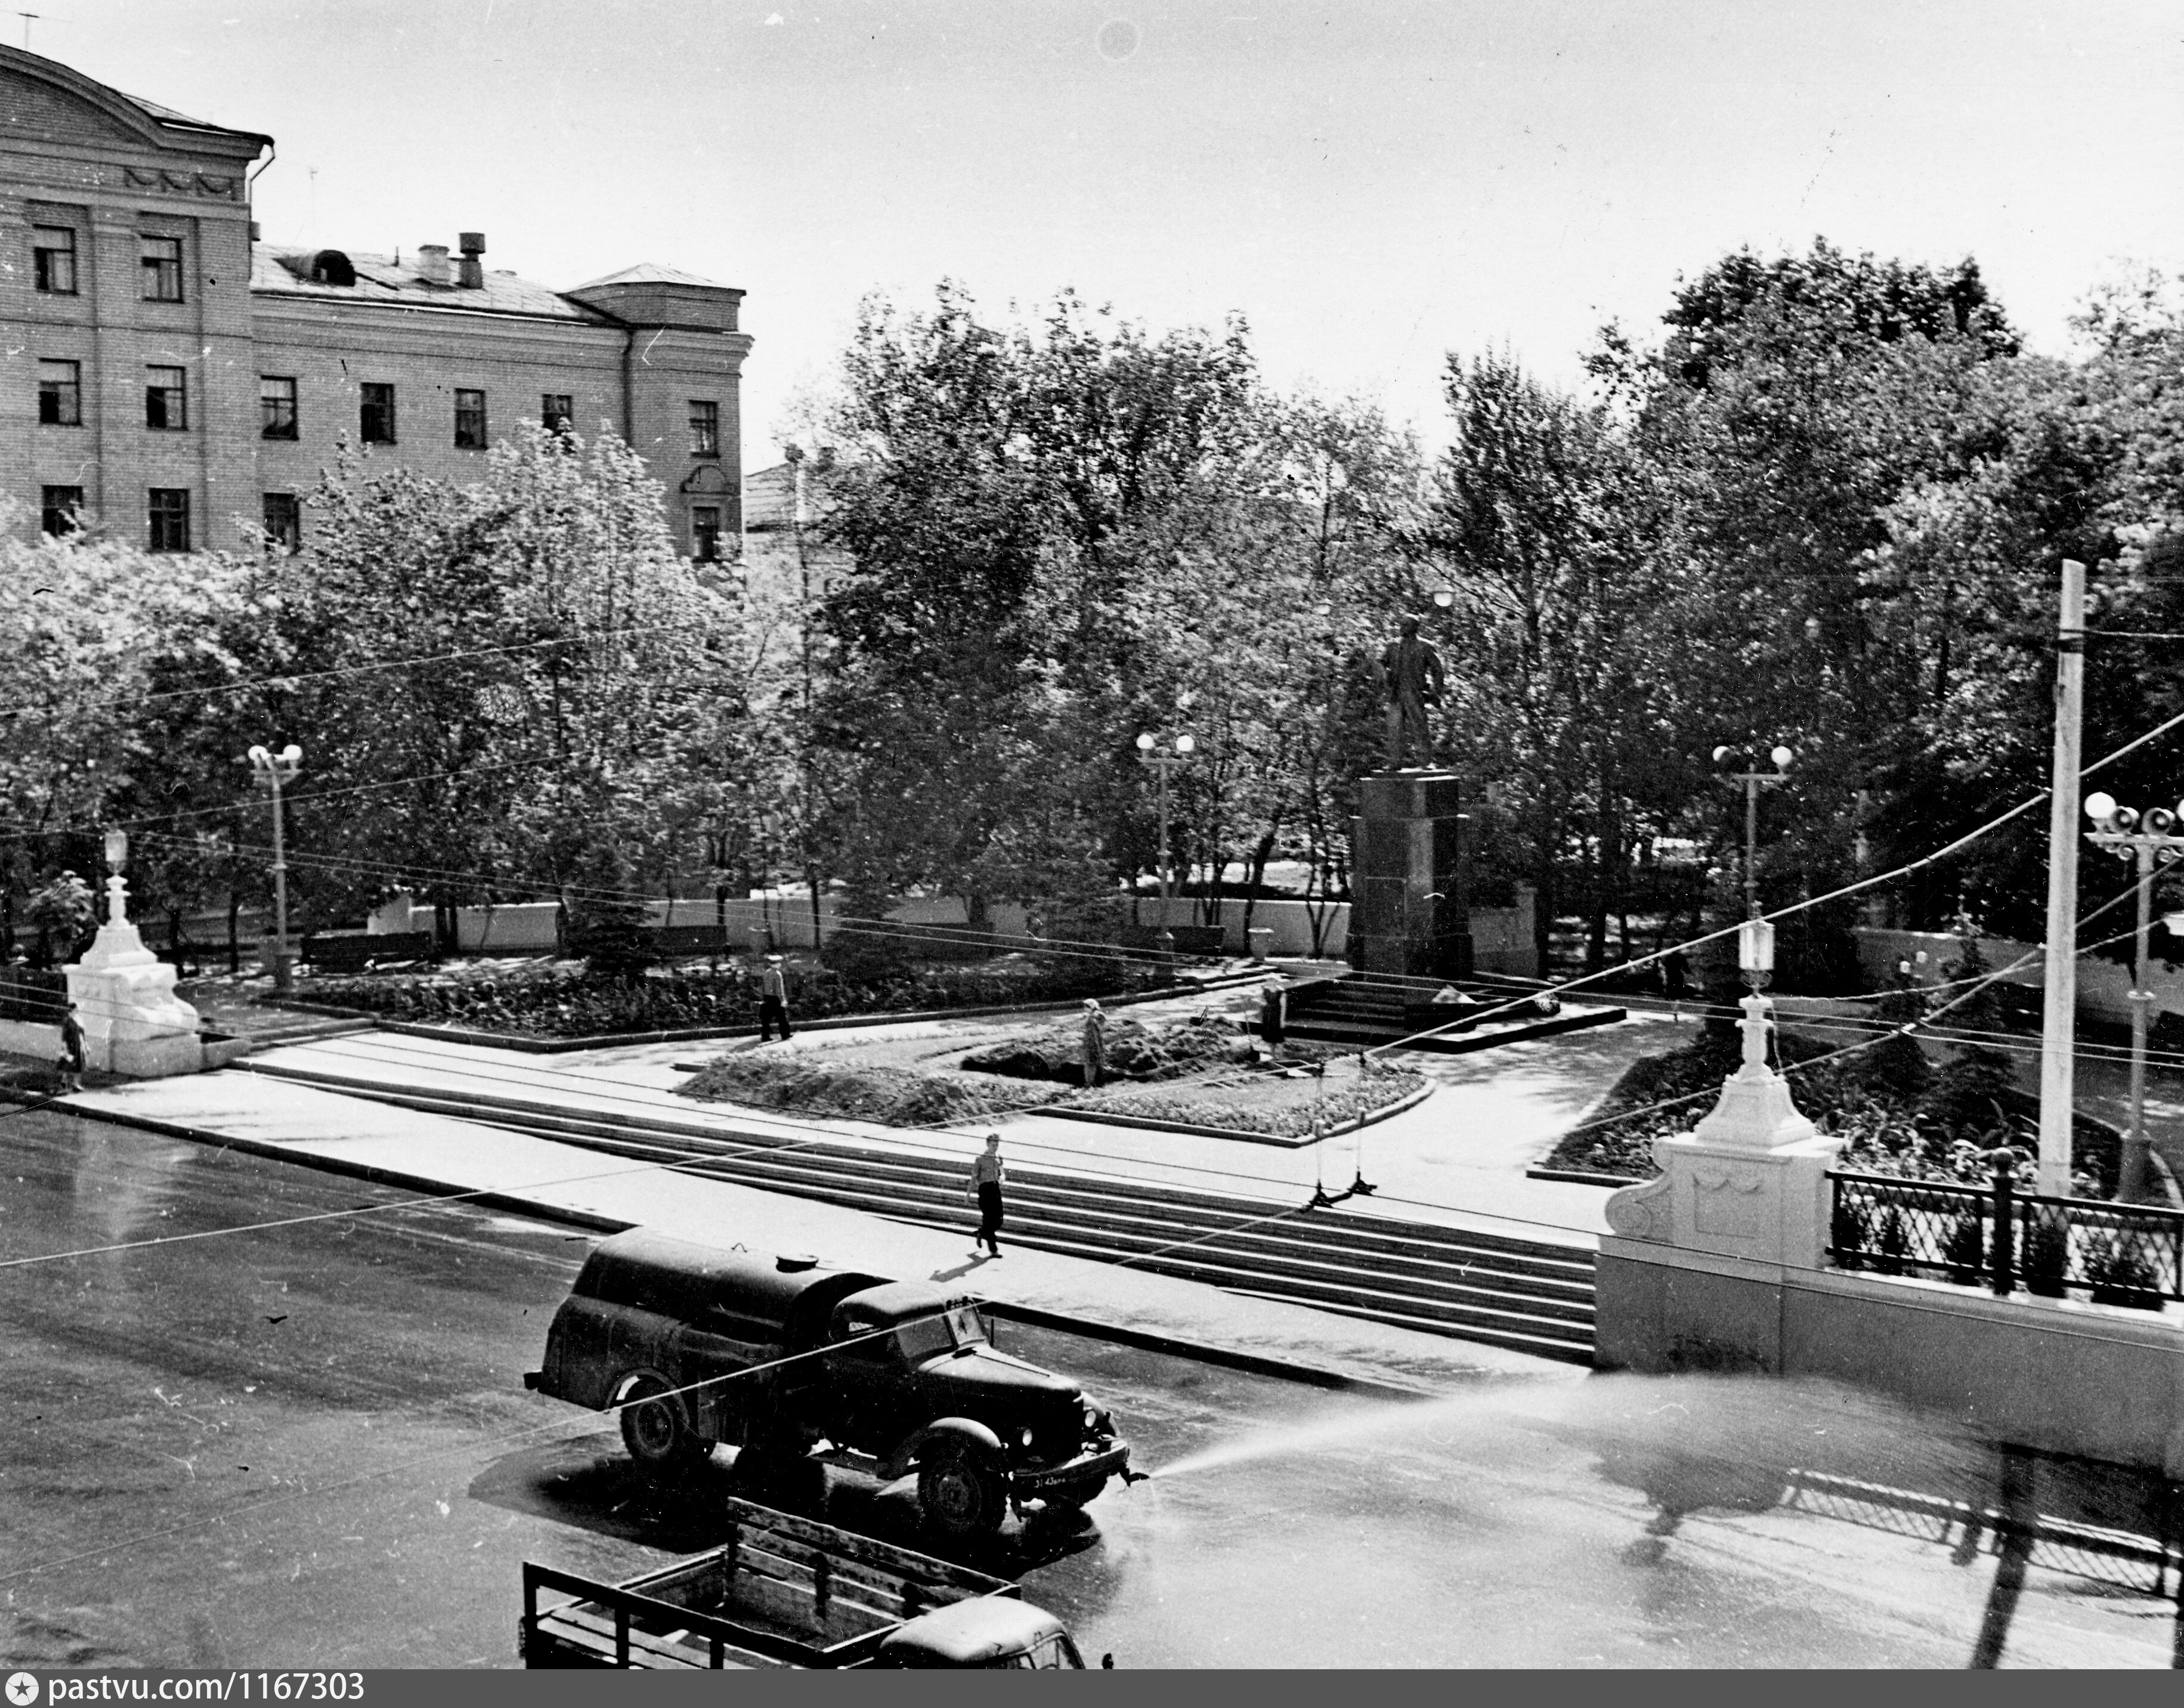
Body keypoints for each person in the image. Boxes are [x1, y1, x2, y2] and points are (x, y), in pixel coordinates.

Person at [1376, 614, 1448, 769]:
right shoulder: (1393, 646)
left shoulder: (1425, 646)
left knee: (1419, 726)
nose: (1401, 627)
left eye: (1405, 625)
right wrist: (1384, 676)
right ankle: (1394, 762)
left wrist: (1436, 692)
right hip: (1396, 693)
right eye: (1401, 624)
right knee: (1394, 728)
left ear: (1415, 627)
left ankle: (1426, 762)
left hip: (1415, 692)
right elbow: (1380, 662)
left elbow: (1438, 670)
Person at [967, 1132, 1006, 1257]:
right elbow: (973, 1178)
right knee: (989, 1220)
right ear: (988, 1144)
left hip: (995, 1189)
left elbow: (1002, 1173)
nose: (995, 1147)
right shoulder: (980, 1159)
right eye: (993, 1145)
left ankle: (980, 1233)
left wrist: (1003, 1178)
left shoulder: (999, 1157)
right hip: (985, 1190)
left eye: (997, 1145)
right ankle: (994, 1250)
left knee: (999, 1220)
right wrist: (967, 1195)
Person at [758, 953, 793, 1042]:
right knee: (782, 1018)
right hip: (776, 998)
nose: (780, 965)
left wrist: (763, 997)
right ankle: (785, 1035)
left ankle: (765, 1036)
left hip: (767, 997)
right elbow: (779, 989)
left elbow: (763, 986)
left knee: (766, 1019)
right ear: (777, 964)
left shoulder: (766, 973)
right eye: (779, 963)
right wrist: (783, 1000)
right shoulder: (778, 974)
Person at [57, 997, 85, 1092]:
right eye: (76, 1009)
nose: (78, 1011)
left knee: (78, 1065)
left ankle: (75, 1084)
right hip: (70, 1046)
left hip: (77, 1046)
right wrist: (65, 1048)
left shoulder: (77, 1020)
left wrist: (85, 1045)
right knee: (67, 1065)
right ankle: (64, 1083)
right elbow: (64, 1035)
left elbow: (81, 1032)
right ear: (72, 1010)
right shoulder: (67, 1021)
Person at [1079, 998, 1107, 1089]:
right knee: (1089, 1063)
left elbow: (1097, 1031)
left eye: (1086, 1007)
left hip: (1093, 1042)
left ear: (1091, 1007)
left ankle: (1089, 1083)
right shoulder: (1092, 1016)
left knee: (1091, 1063)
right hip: (1089, 1041)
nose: (1085, 1008)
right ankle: (1088, 1082)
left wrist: (1097, 1043)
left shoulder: (1095, 1016)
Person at [1259, 976, 1288, 1049]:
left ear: (1276, 981)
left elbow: (1283, 1006)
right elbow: (1262, 1002)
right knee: (1269, 1037)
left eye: (1272, 980)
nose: (1270, 982)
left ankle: (1281, 1058)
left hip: (1277, 1015)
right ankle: (1272, 1055)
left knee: (1278, 1038)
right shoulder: (1265, 991)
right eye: (1269, 980)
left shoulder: (1281, 992)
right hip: (1268, 1015)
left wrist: (1282, 1020)